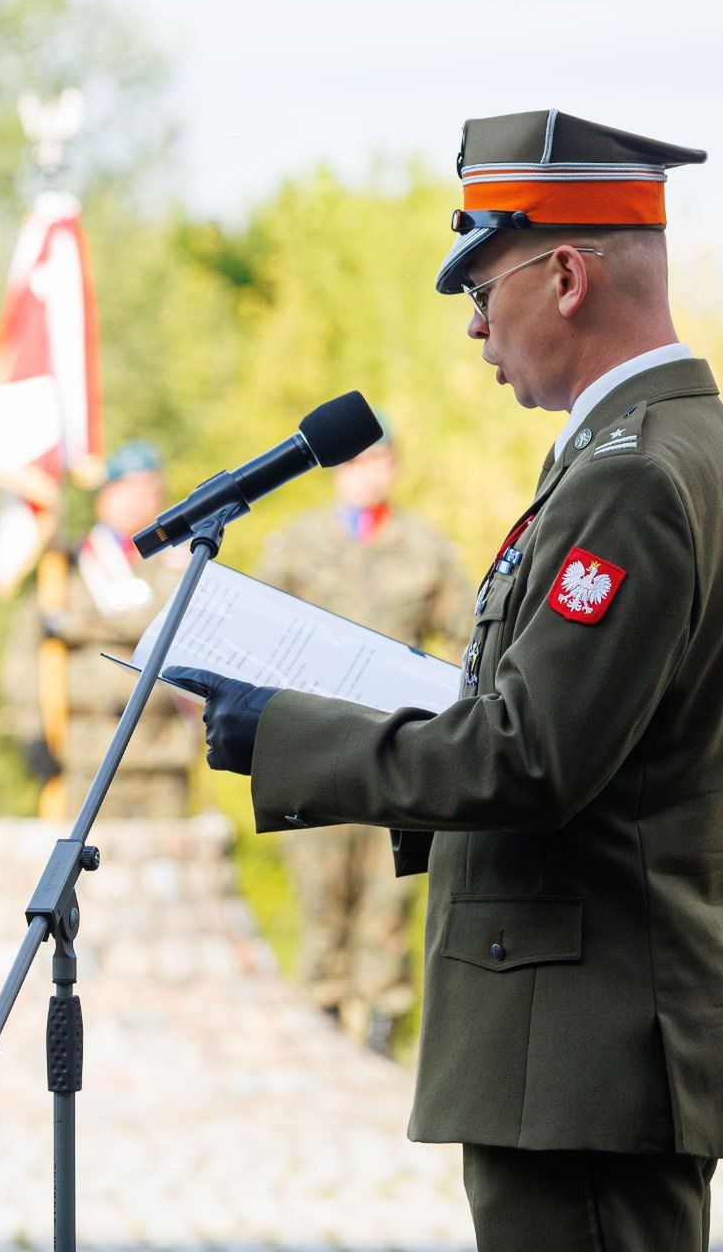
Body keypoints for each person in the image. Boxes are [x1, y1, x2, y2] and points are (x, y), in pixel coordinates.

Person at [169, 110, 723, 1251]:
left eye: (482, 287)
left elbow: (531, 755)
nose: (474, 327)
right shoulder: (654, 450)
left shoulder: (635, 475)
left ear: (565, 273)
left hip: (583, 1053)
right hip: (578, 1047)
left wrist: (289, 733)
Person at [256, 426, 472, 1054]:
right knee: (320, 889)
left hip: (396, 747)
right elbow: (261, 631)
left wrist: (450, 715)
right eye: (355, 462)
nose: (367, 473)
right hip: (314, 744)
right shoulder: (297, 543)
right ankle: (320, 1019)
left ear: (395, 467)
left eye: (379, 461)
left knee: (389, 894)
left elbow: (467, 637)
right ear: (335, 471)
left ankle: (382, 1024)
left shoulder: (424, 547)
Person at [3, 440, 200, 819]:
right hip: (85, 753)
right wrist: (32, 731)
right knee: (86, 873)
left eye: (150, 490)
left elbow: (179, 631)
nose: (138, 500)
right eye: (126, 488)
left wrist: (79, 626)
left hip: (163, 754)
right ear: (103, 497)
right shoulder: (66, 570)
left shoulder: (181, 566)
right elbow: (24, 659)